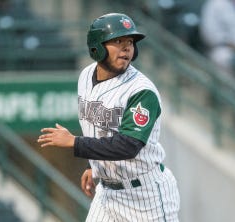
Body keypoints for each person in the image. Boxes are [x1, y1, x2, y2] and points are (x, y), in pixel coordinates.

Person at [37, 13, 180, 221]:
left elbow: (128, 145)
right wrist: (92, 166)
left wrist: (75, 143)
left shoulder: (141, 91)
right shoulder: (86, 76)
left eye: (130, 42)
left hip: (145, 195)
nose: (126, 48)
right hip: (106, 193)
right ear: (97, 46)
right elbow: (96, 127)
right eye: (118, 41)